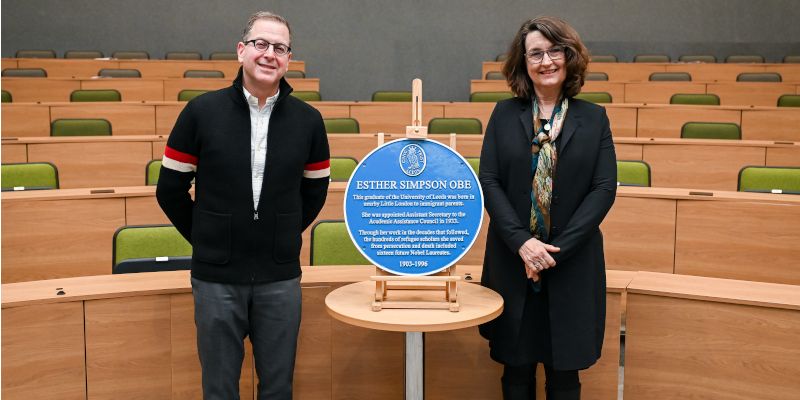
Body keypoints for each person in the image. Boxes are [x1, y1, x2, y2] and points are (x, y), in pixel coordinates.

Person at [156, 11, 330, 400]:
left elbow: (315, 191)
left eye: (280, 48)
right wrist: (209, 237)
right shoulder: (201, 112)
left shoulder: (309, 121)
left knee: (278, 389)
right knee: (218, 390)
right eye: (261, 44)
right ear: (241, 51)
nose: (270, 54)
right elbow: (170, 189)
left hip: (280, 280)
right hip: (216, 279)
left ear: (288, 59)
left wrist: (279, 233)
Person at [478, 16, 617, 400]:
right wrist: (524, 244)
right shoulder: (504, 115)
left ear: (569, 57)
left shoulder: (594, 118)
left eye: (555, 51)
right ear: (523, 63)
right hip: (512, 259)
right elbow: (489, 182)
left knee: (564, 374)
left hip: (571, 264)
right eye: (536, 53)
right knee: (515, 369)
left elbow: (603, 189)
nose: (547, 61)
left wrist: (551, 253)